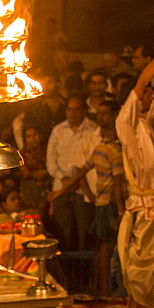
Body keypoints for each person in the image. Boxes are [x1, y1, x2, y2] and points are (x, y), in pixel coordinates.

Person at [115, 38, 154, 308]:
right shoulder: (127, 123)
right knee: (141, 266)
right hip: (144, 209)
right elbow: (141, 84)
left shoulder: (147, 123)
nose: (150, 95)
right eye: (147, 93)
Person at [48, 99, 125, 296]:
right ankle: (104, 292)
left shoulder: (104, 146)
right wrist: (120, 209)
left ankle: (100, 289)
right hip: (107, 203)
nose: (101, 117)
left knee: (101, 247)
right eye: (99, 113)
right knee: (105, 247)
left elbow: (81, 172)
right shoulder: (110, 149)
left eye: (106, 113)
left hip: (99, 201)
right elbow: (114, 183)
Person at [45, 92, 100, 250]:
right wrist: (64, 179)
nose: (72, 113)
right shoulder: (58, 130)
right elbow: (51, 161)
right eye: (69, 109)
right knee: (63, 229)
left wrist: (77, 180)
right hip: (61, 186)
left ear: (84, 110)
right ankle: (65, 267)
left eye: (76, 109)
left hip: (84, 188)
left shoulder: (93, 129)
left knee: (85, 228)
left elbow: (93, 161)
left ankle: (83, 268)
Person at [19, 124, 51, 212]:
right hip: (31, 193)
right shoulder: (22, 155)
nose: (33, 139)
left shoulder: (48, 150)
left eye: (35, 134)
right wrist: (48, 172)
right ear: (25, 139)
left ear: (40, 135)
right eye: (29, 136)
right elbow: (26, 174)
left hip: (50, 191)